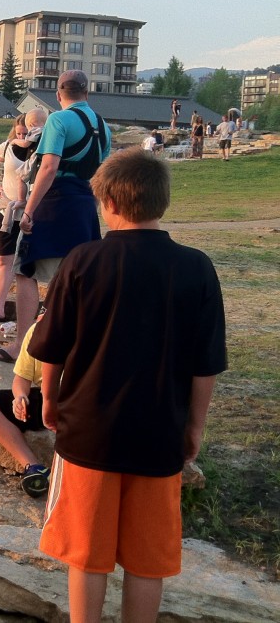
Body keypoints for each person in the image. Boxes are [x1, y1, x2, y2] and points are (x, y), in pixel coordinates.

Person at [30, 147, 226, 622]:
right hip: (160, 434)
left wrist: (51, 403)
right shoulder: (197, 268)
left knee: (87, 553)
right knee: (146, 559)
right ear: (162, 203)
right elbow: (206, 366)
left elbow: (51, 349)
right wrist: (194, 427)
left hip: (89, 432)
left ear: (110, 204)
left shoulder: (82, 261)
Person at [0, 70, 110, 364]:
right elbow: (102, 174)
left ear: (58, 94)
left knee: (25, 270)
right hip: (85, 207)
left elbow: (48, 168)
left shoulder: (58, 120)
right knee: (73, 276)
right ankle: (69, 343)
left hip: (54, 203)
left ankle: (22, 347)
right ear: (87, 93)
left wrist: (28, 210)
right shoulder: (104, 126)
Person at [0, 112, 45, 323]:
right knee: (3, 259)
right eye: (18, 132)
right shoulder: (7, 147)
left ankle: (32, 314)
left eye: (26, 133)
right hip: (6, 210)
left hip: (34, 212)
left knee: (29, 264)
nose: (22, 136)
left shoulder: (43, 147)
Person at [0, 322, 50, 496]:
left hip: (74, 403)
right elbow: (21, 378)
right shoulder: (36, 331)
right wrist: (20, 397)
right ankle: (34, 467)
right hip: (45, 397)